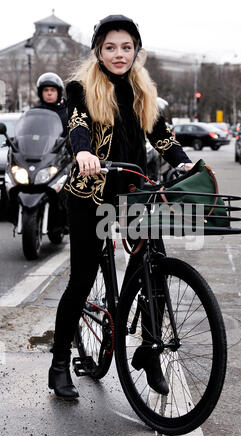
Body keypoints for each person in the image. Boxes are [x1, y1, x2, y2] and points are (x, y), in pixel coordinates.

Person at [48, 14, 193, 399]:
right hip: (91, 193)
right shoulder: (80, 86)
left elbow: (161, 134)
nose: (119, 54)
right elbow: (77, 125)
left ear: (136, 51)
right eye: (110, 47)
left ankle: (149, 350)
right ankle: (59, 362)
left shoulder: (142, 89)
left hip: (133, 189)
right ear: (98, 50)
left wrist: (183, 161)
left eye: (126, 47)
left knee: (155, 269)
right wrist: (83, 153)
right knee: (81, 279)